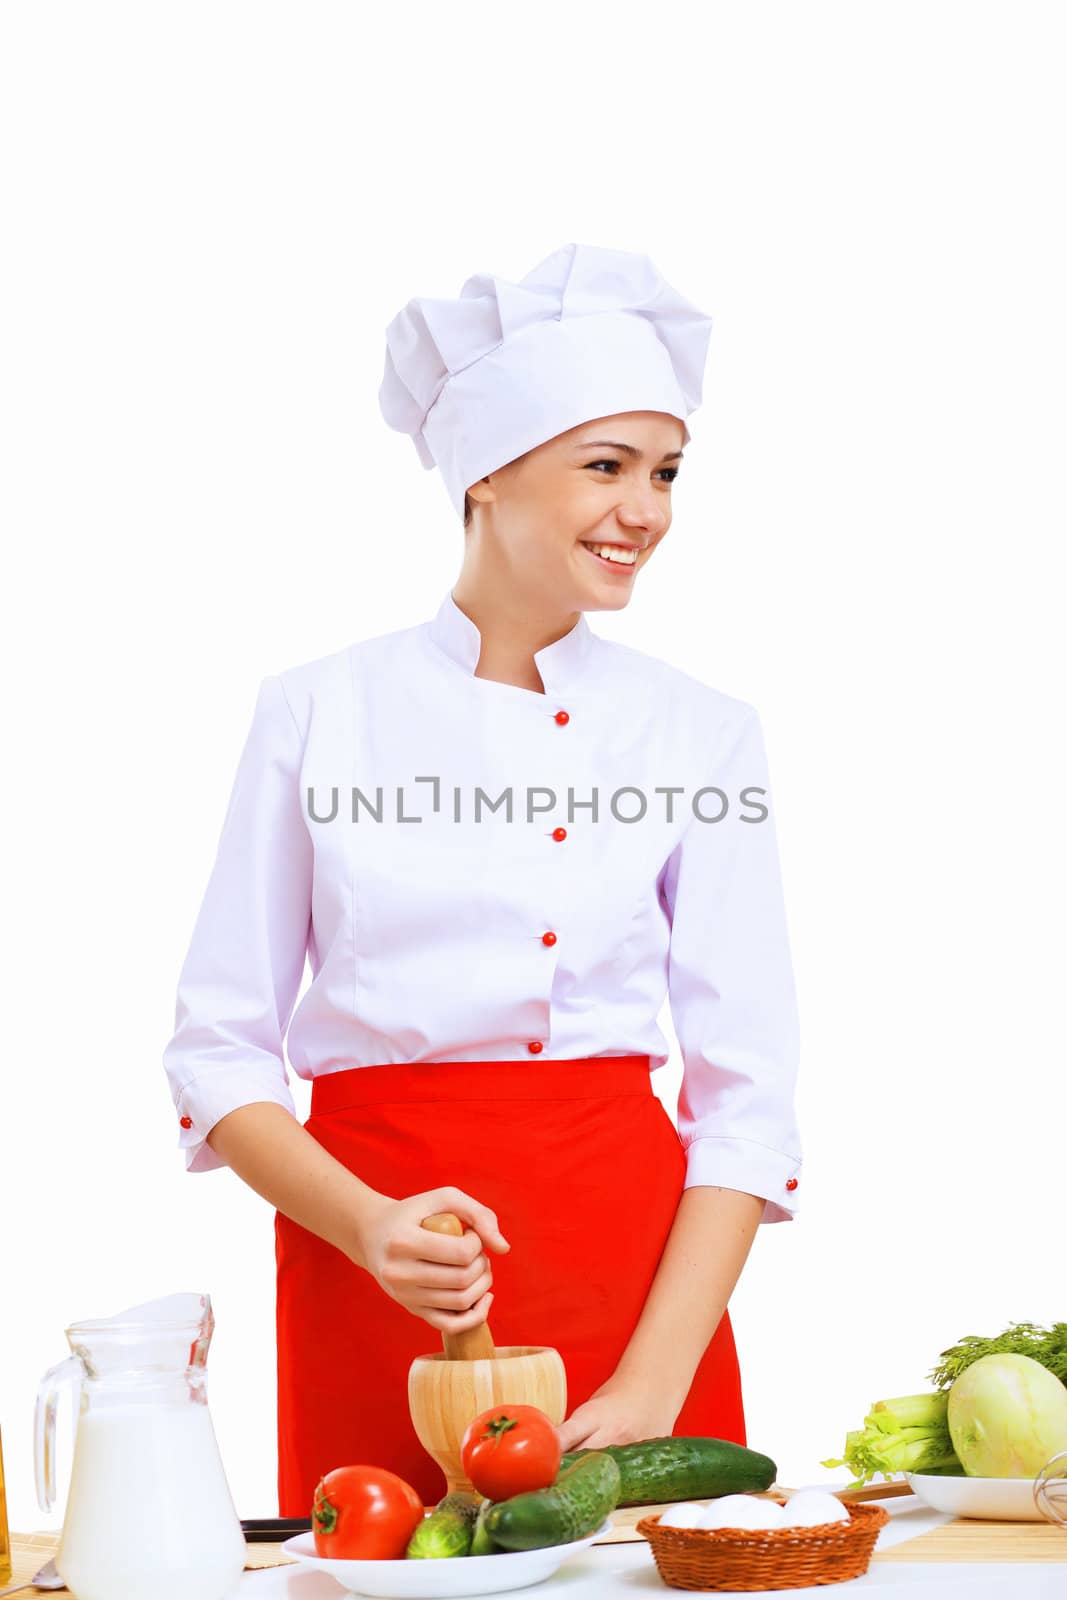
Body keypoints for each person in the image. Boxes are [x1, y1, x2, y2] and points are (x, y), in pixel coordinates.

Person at [162, 242, 803, 1516]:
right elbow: (216, 1050)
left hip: (631, 1278)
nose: (647, 510)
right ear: (486, 474)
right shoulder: (314, 713)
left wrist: (652, 1382)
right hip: (372, 1258)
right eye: (604, 466)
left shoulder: (700, 732)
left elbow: (748, 1098)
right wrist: (363, 1225)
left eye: (665, 472)